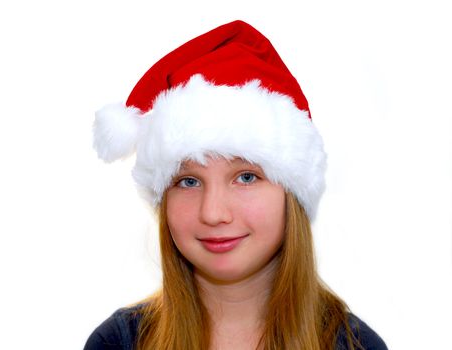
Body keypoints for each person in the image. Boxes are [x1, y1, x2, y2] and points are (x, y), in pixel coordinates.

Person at [86, 20, 388, 350]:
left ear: (291, 192)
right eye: (188, 181)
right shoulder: (119, 343)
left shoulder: (354, 345)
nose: (213, 213)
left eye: (246, 177)